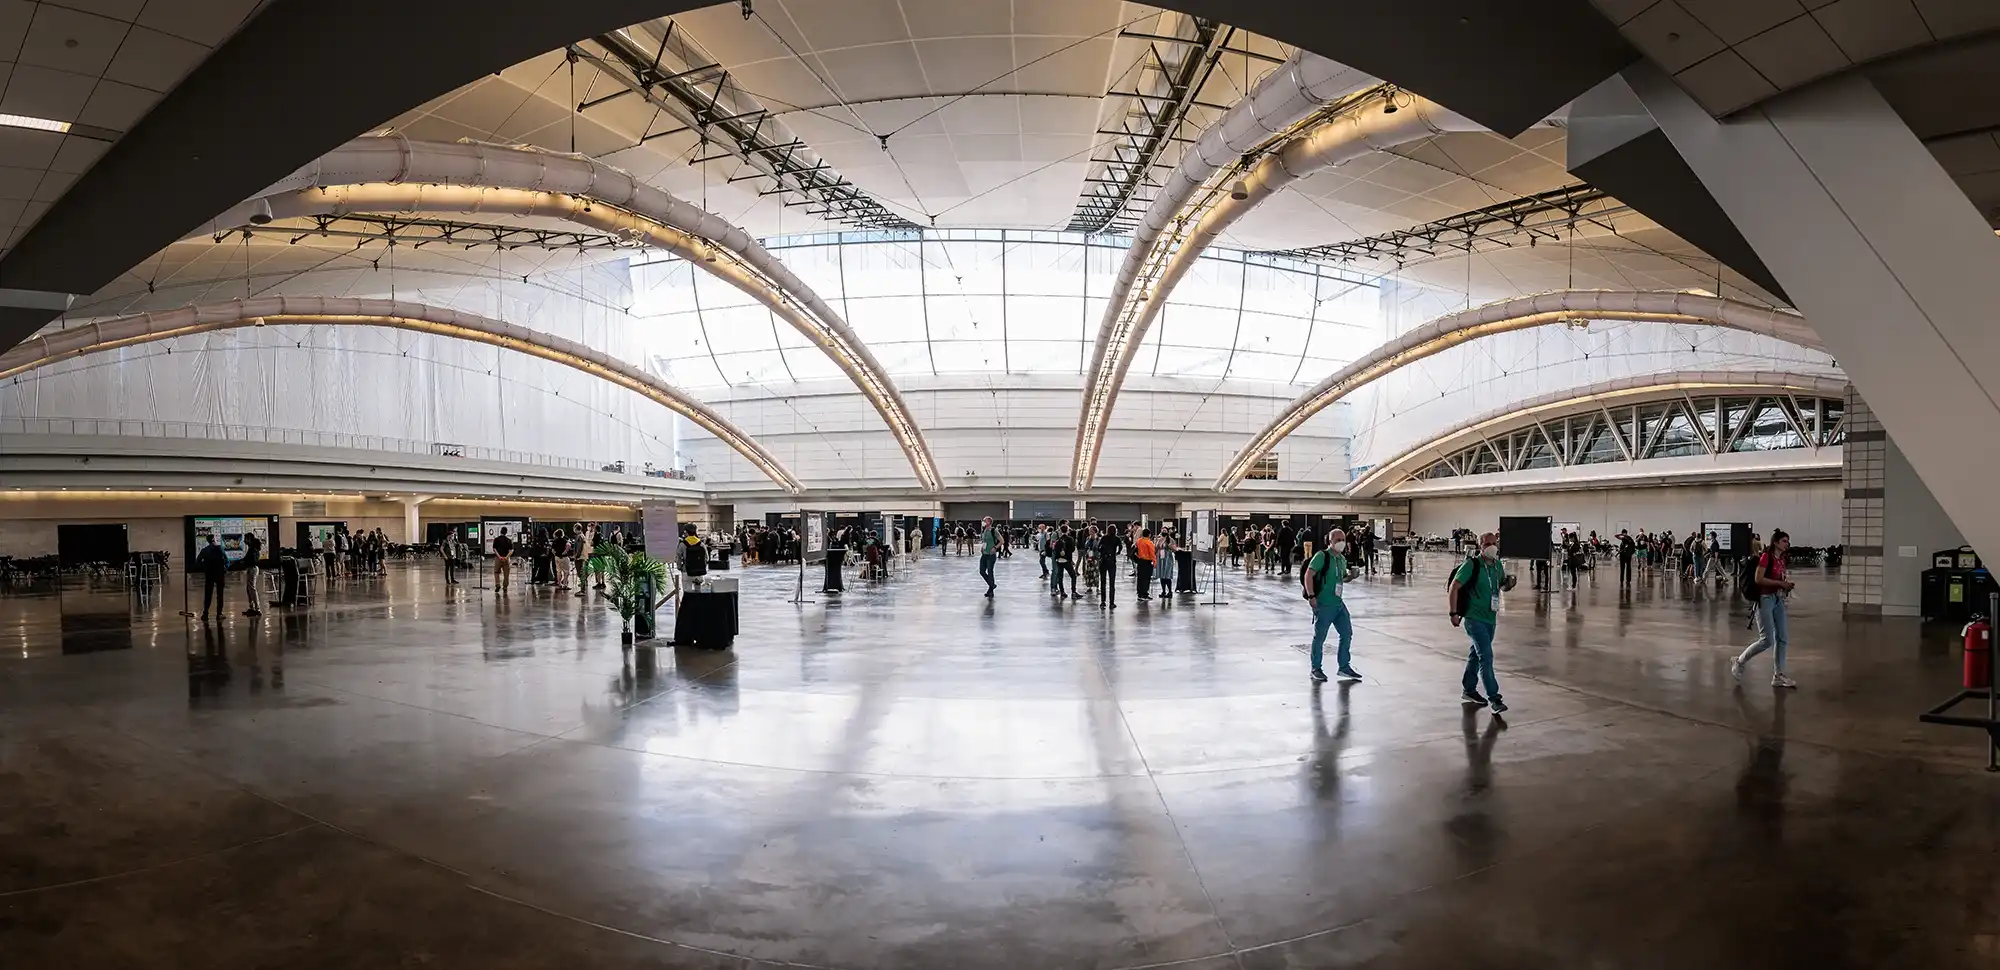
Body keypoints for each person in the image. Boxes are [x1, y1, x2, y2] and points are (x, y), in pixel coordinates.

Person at [1448, 532, 1514, 715]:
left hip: (1490, 619)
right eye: (1487, 543)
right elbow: (1454, 587)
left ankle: (1469, 690)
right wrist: (1453, 612)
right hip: (1473, 619)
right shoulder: (1472, 565)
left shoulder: (1497, 566)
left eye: (1494, 543)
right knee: (1486, 656)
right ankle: (1495, 698)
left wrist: (1508, 584)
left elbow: (1501, 586)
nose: (1491, 546)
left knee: (1476, 655)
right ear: (1480, 546)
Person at [1732, 529, 1798, 689]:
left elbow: (1779, 578)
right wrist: (1780, 584)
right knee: (1767, 640)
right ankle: (1739, 661)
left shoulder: (1781, 560)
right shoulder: (1765, 557)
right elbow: (1759, 579)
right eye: (1784, 541)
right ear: (1775, 542)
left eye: (1788, 541)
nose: (1787, 544)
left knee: (1782, 638)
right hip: (1764, 600)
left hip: (1777, 599)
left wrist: (1785, 586)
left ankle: (1778, 675)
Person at [1303, 528, 1362, 683]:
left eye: (1343, 539)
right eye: (1337, 540)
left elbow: (1342, 579)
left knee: (1346, 633)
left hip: (1338, 604)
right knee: (1320, 637)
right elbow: (1308, 574)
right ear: (1330, 542)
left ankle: (1344, 666)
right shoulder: (1322, 556)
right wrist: (1311, 596)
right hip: (1324, 604)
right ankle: (1316, 668)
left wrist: (1351, 577)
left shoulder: (1341, 559)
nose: (1341, 543)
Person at [195, 535, 228, 622]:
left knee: (208, 595)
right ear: (214, 539)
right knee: (220, 595)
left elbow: (197, 562)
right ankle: (219, 614)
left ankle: (205, 613)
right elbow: (227, 560)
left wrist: (205, 567)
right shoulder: (220, 548)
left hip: (209, 574)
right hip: (220, 574)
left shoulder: (204, 551)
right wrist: (225, 568)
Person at [240, 530, 264, 617]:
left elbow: (252, 560)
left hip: (253, 569)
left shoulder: (253, 549)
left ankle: (258, 609)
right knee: (249, 589)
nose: (244, 541)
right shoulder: (252, 548)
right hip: (251, 569)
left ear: (249, 539)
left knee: (252, 589)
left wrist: (244, 561)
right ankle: (252, 607)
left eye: (245, 539)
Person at [1094, 523, 1119, 609]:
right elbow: (1121, 547)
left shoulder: (1104, 538)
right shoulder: (1117, 539)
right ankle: (1111, 603)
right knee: (1112, 583)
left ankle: (1103, 602)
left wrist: (1102, 552)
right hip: (1112, 561)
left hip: (1103, 561)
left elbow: (1098, 548)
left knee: (1103, 582)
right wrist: (1117, 553)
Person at [1051, 524, 1079, 599]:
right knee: (1073, 575)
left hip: (1059, 561)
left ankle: (1062, 592)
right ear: (1067, 530)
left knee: (1060, 577)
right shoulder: (1070, 539)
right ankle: (1073, 592)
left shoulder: (1058, 540)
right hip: (1067, 560)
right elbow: (1072, 549)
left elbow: (1055, 550)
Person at [977, 515, 999, 598]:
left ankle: (990, 590)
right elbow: (985, 541)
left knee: (990, 571)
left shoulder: (994, 530)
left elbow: (1002, 541)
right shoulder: (984, 530)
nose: (983, 522)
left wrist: (995, 548)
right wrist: (983, 547)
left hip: (991, 554)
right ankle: (992, 585)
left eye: (984, 520)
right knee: (982, 571)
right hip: (984, 553)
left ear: (989, 522)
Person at [1133, 528, 1157, 601]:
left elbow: (1134, 548)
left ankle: (1139, 594)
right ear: (1149, 535)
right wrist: (1155, 563)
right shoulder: (1149, 543)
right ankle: (1145, 594)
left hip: (1140, 561)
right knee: (1146, 579)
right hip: (1147, 562)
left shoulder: (1139, 541)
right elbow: (1152, 554)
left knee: (1140, 578)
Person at [1156, 529, 1177, 603]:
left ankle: (1170, 591)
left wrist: (1170, 546)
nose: (1163, 532)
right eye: (1162, 530)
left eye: (1164, 531)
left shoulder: (1171, 540)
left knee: (1167, 576)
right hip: (1161, 559)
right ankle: (1163, 591)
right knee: (1162, 576)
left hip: (1168, 559)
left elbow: (1175, 549)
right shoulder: (1159, 539)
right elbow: (1156, 548)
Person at [491, 527, 515, 592]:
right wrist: (506, 557)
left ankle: (497, 584)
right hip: (506, 559)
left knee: (496, 572)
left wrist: (499, 557)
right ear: (506, 532)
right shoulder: (509, 540)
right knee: (506, 574)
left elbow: (494, 549)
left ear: (500, 531)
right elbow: (512, 550)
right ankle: (505, 587)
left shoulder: (496, 539)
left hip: (498, 559)